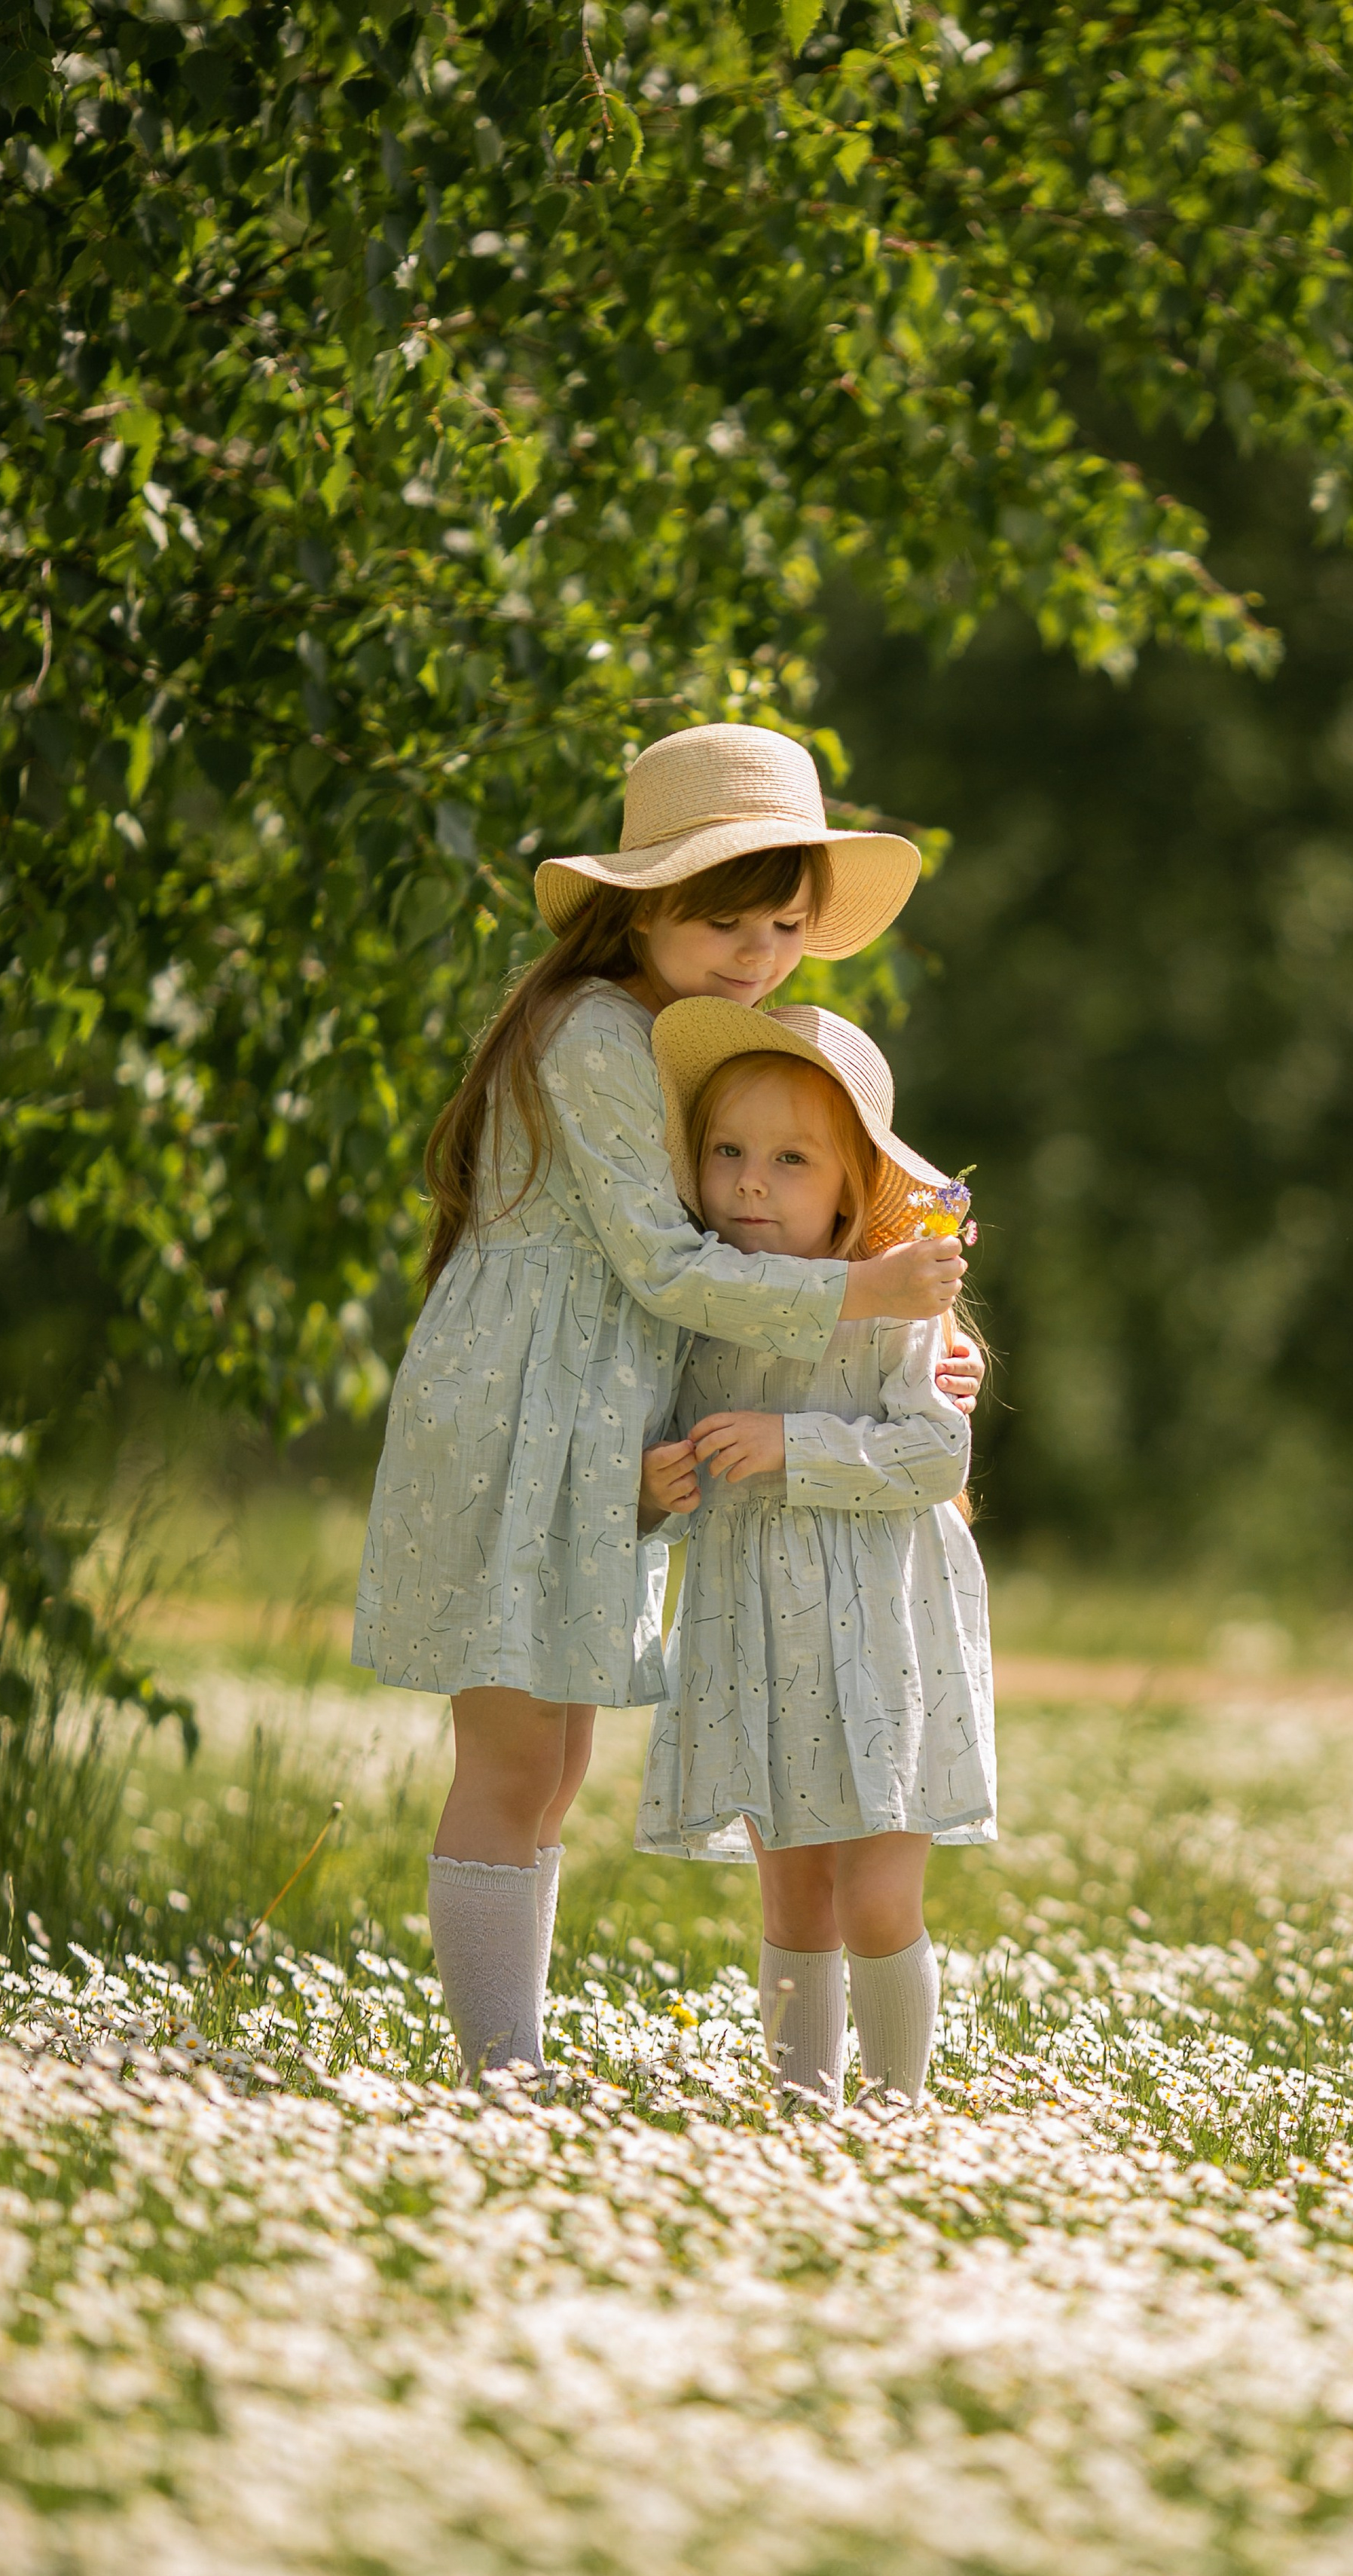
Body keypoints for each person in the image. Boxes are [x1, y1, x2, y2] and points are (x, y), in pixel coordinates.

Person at [353, 723, 978, 2085]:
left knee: (559, 1760)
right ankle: (497, 2069)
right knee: (515, 1753)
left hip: (596, 1419)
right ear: (646, 901)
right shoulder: (588, 1031)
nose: (757, 958)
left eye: (782, 927)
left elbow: (839, 1187)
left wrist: (912, 1338)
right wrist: (867, 1303)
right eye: (726, 922)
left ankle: (507, 2057)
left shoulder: (667, 1031)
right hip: (524, 1416)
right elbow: (663, 1261)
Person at [635, 999, 995, 2115]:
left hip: (882, 1625)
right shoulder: (698, 1306)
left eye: (792, 1160)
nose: (751, 1182)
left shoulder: (892, 1304)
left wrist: (792, 1448)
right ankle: (801, 2114)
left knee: (877, 1893)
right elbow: (662, 1440)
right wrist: (653, 1491)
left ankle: (894, 2111)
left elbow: (936, 1453)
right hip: (757, 1627)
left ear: (851, 1187)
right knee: (792, 1890)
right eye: (728, 1153)